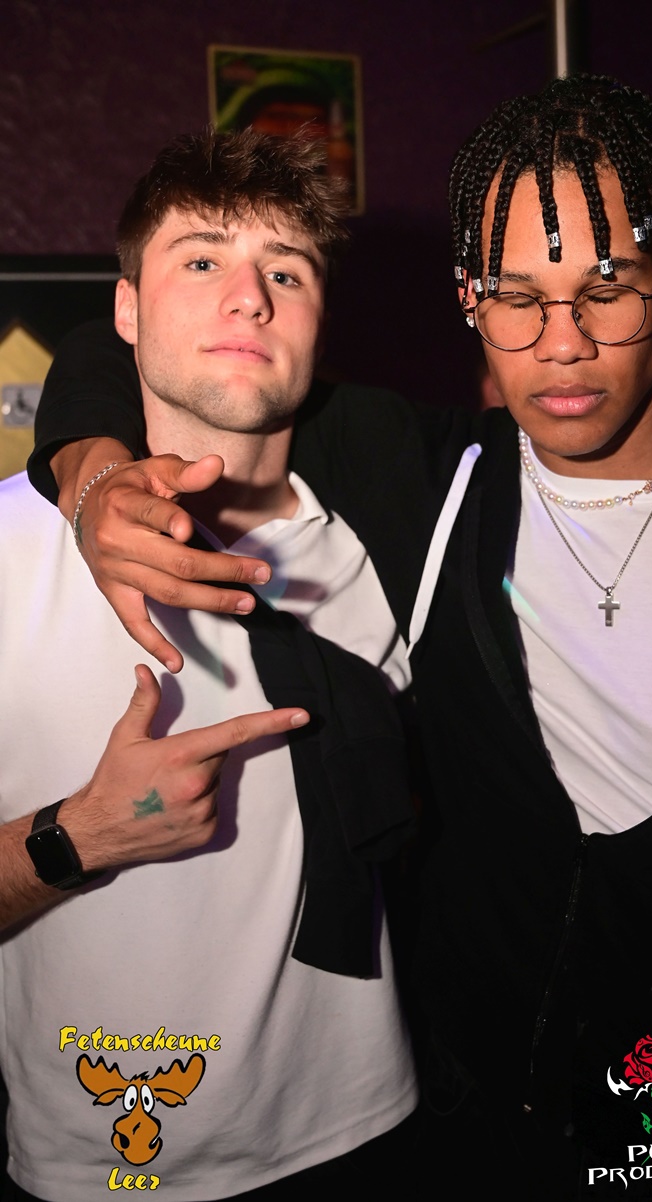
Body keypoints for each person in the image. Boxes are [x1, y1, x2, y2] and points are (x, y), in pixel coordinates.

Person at [29, 76, 652, 1199]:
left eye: (606, 289)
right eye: (515, 297)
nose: (562, 344)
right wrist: (94, 471)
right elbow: (185, 361)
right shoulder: (435, 479)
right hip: (472, 1121)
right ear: (469, 303)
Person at [1, 128, 419, 1202]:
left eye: (286, 271)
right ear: (126, 309)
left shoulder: (399, 533)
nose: (249, 298)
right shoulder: (7, 555)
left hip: (365, 1127)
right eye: (201, 260)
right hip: (103, 1163)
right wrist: (76, 836)